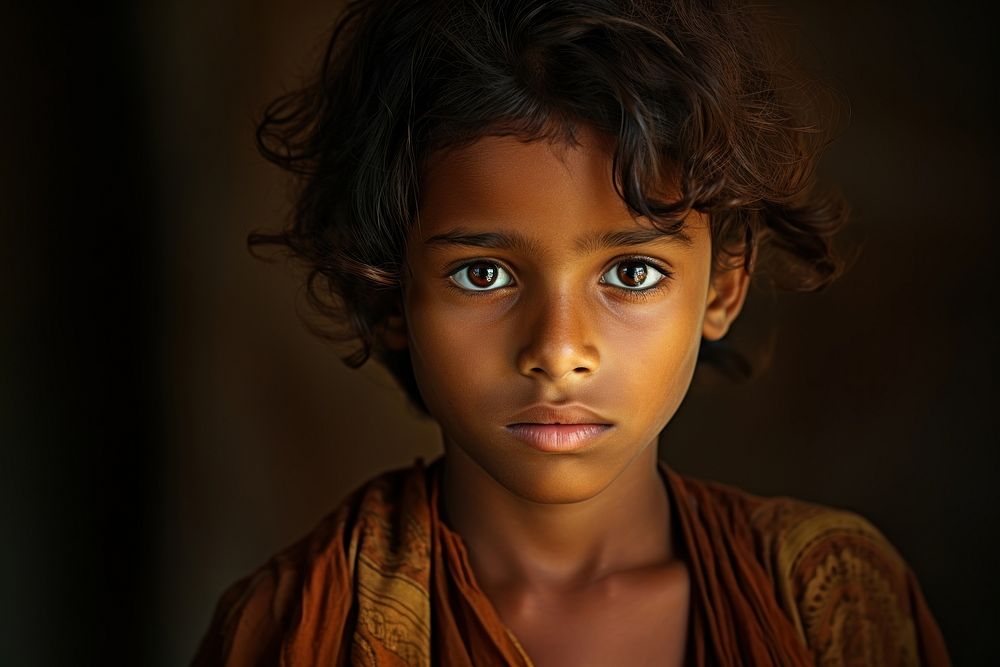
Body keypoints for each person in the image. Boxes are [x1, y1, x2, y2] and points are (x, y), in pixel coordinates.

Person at [192, 0, 951, 665]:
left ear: (723, 285)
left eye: (631, 274)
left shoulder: (835, 600)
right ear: (389, 290)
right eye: (483, 274)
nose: (557, 351)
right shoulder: (298, 628)